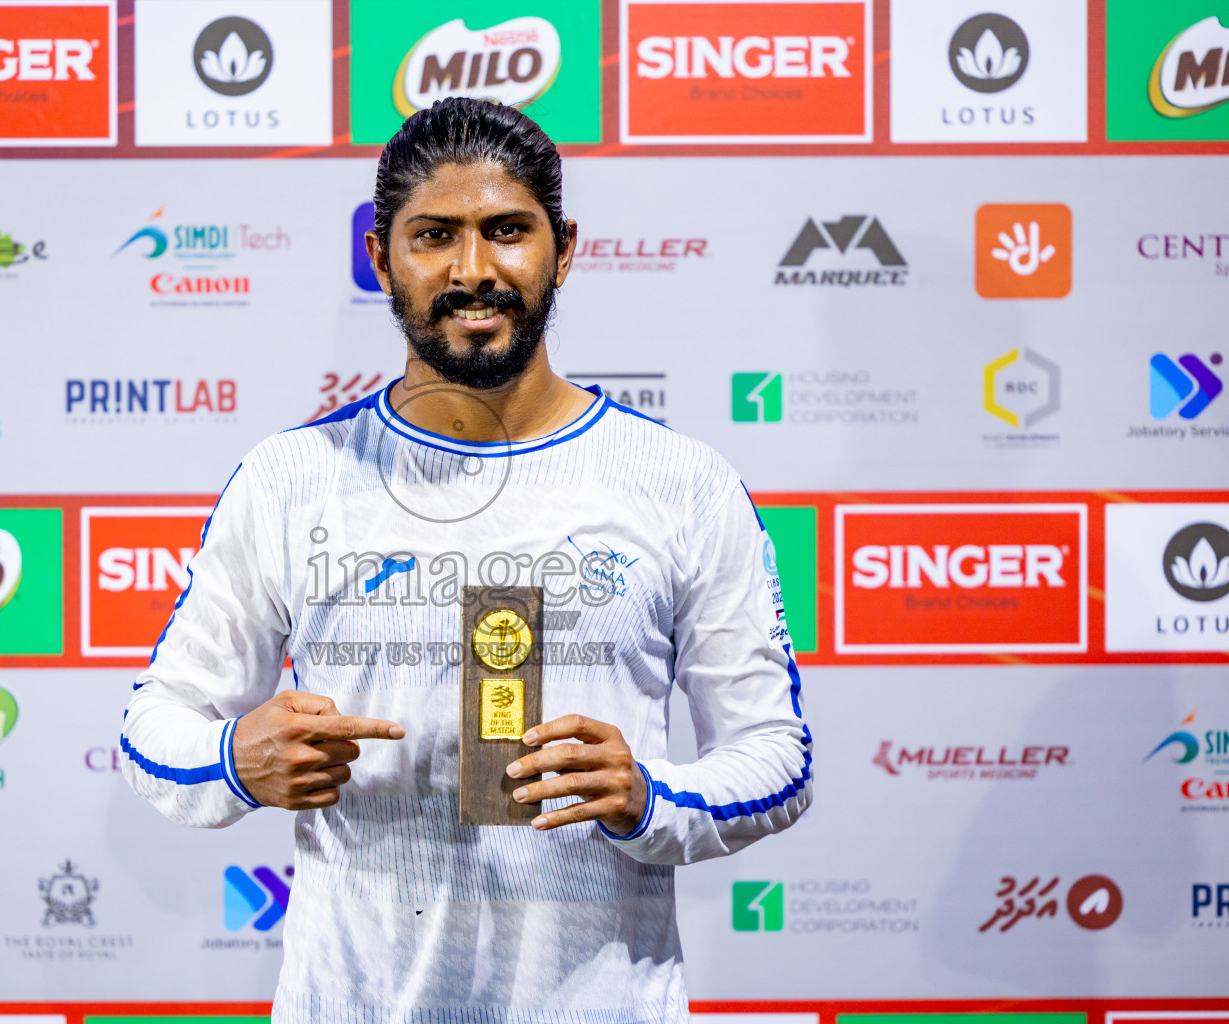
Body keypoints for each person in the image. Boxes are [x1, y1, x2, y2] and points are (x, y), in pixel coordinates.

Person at [121, 97, 812, 1023]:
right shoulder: (291, 481)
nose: (473, 270)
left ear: (563, 249)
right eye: (435, 235)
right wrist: (232, 761)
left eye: (507, 231)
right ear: (380, 258)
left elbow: (777, 755)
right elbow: (153, 728)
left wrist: (654, 799)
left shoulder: (680, 483)